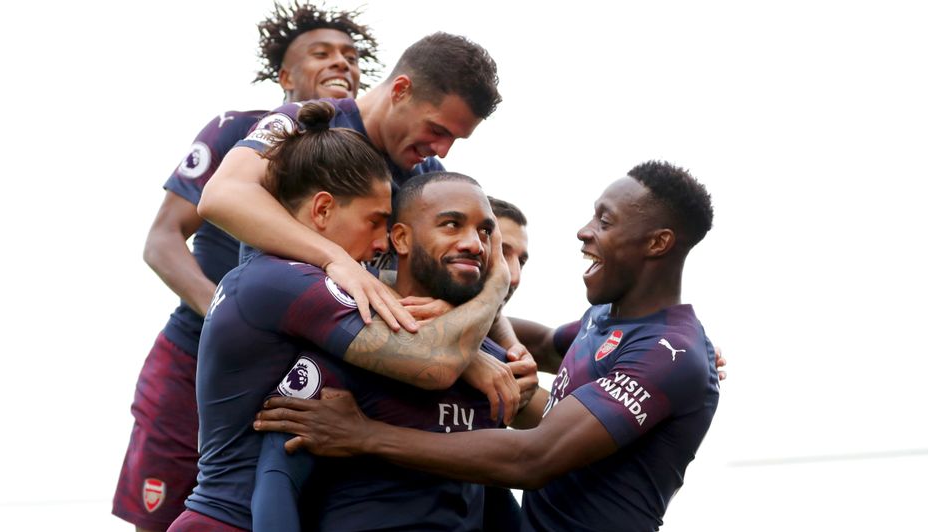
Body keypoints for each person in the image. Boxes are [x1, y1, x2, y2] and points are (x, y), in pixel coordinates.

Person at [255, 160, 722, 532]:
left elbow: (532, 458)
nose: (584, 231)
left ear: (658, 243)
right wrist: (441, 313)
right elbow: (537, 342)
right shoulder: (605, 321)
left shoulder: (669, 354)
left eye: (605, 220)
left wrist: (364, 436)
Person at [170, 107, 520, 531]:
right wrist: (495, 285)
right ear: (322, 210)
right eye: (375, 222)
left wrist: (476, 348)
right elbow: (435, 363)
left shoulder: (282, 276)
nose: (380, 243)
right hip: (236, 520)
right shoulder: (285, 281)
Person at [112, 4, 380, 530]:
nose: (341, 64)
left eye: (350, 57)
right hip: (197, 355)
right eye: (321, 53)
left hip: (299, 368)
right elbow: (162, 241)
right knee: (170, 513)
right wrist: (222, 312)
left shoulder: (359, 156)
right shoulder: (235, 130)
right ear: (284, 75)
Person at [250, 172, 540, 531]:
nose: (474, 244)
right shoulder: (353, 339)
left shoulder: (496, 366)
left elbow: (495, 493)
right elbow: (277, 480)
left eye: (485, 232)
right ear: (401, 239)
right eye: (452, 225)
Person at [197, 31, 501, 332]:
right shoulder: (301, 122)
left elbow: (479, 260)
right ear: (401, 90)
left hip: (371, 353)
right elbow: (222, 196)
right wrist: (334, 259)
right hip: (276, 345)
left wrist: (455, 310)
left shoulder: (429, 179)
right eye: (437, 130)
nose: (443, 149)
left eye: (455, 139)